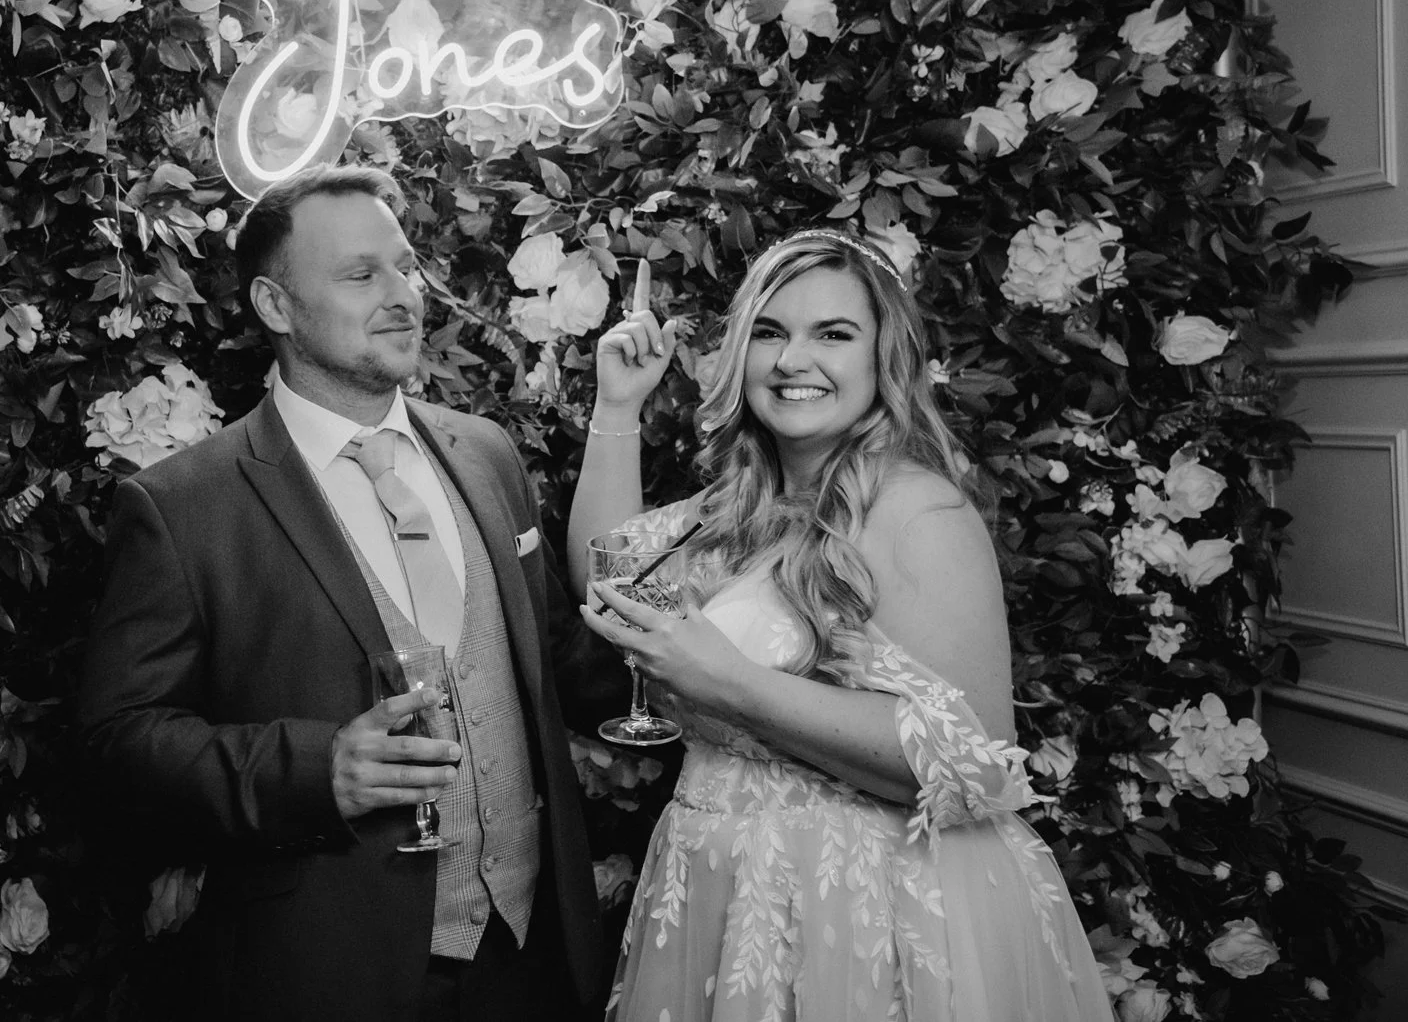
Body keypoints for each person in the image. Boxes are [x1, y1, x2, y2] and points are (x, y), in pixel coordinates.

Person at [76, 165, 616, 1022]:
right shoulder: (182, 507)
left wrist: (708, 671)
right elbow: (118, 743)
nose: (404, 295)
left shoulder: (487, 454)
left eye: (406, 266)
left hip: (531, 961)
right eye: (362, 275)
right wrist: (314, 770)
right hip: (333, 972)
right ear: (276, 305)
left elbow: (554, 656)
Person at [568, 231, 1112, 1022]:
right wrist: (617, 405)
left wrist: (730, 683)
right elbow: (609, 572)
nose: (793, 359)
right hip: (724, 899)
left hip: (865, 913)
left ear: (883, 356)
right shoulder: (731, 510)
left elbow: (973, 764)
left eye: (833, 333)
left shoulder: (920, 511)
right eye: (770, 331)